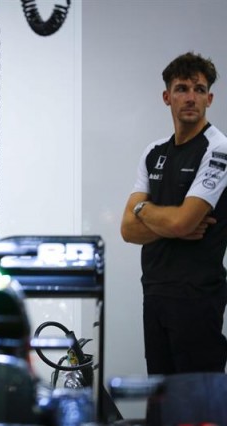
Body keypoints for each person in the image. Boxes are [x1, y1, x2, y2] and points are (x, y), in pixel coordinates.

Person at [121, 52, 227, 375]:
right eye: (182, 89)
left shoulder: (218, 149)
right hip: (154, 293)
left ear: (210, 97)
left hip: (197, 298)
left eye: (199, 89)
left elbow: (185, 221)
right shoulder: (154, 152)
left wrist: (147, 212)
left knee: (197, 410)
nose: (190, 97)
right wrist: (155, 215)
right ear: (167, 97)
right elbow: (128, 229)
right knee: (161, 404)